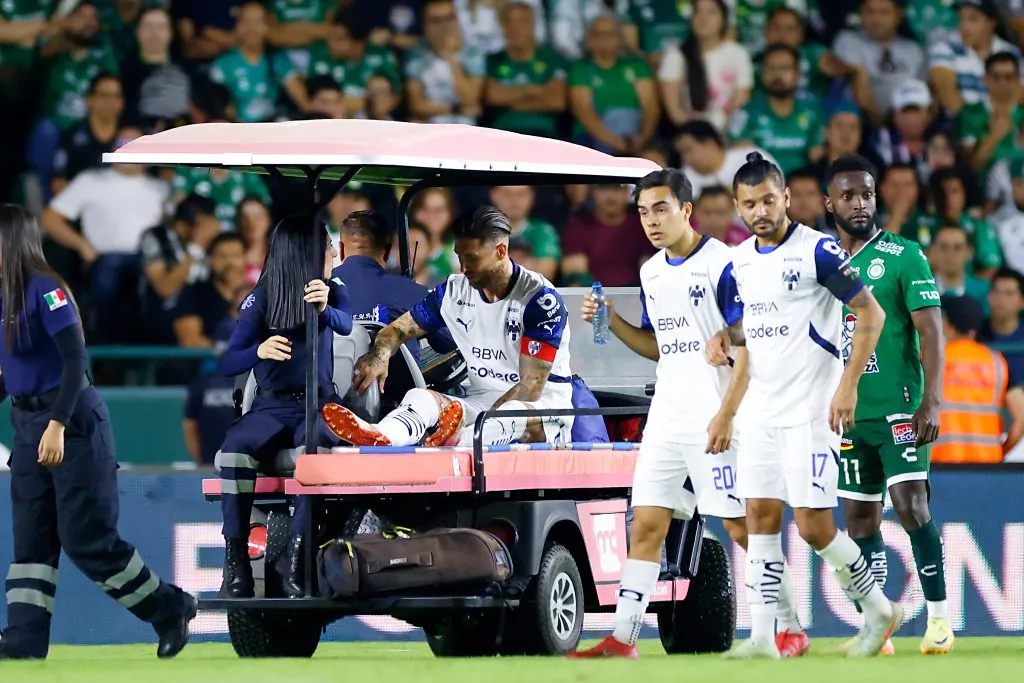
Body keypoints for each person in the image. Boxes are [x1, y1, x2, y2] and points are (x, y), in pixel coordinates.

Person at [567, 169, 809, 660]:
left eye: (661, 209)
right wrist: (610, 321)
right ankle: (624, 639)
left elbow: (750, 338)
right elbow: (658, 347)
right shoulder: (651, 271)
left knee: (740, 527)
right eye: (642, 212)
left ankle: (791, 626)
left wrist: (726, 410)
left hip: (718, 417)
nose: (651, 221)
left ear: (686, 210)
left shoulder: (723, 265)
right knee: (647, 524)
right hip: (667, 417)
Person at [706, 153, 901, 659]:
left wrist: (848, 386)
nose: (761, 211)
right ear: (737, 208)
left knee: (815, 526)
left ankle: (879, 609)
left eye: (769, 200)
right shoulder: (739, 263)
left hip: (812, 410)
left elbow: (871, 314)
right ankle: (762, 639)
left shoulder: (818, 252)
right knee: (759, 520)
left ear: (786, 197)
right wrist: (723, 342)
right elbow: (750, 335)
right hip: (761, 410)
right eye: (749, 204)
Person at [0, 205, 196, 660]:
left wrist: (57, 425)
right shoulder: (6, 296)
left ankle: (169, 607)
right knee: (30, 541)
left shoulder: (46, 290)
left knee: (86, 540)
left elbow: (74, 360)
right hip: (27, 424)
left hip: (72, 423)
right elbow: (14, 374)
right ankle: (25, 638)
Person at [824, 154, 953, 656]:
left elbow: (932, 333)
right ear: (830, 201)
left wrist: (931, 401)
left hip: (902, 407)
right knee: (858, 523)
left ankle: (940, 619)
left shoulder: (903, 256)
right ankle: (876, 625)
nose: (860, 204)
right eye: (849, 195)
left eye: (868, 194)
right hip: (850, 415)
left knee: (911, 507)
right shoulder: (821, 261)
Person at [321, 206, 574, 450]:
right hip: (480, 402)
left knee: (511, 413)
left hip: (541, 411)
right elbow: (396, 330)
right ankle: (380, 435)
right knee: (419, 397)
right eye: (459, 257)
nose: (463, 268)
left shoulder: (540, 301)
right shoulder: (453, 290)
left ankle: (458, 440)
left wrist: (472, 420)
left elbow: (530, 389)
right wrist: (380, 354)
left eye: (472, 259)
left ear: (500, 251)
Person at [216, 216, 353, 599]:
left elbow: (344, 324)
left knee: (311, 451)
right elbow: (227, 361)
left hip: (319, 404)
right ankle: (236, 560)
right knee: (235, 450)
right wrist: (257, 351)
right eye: (328, 246)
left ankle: (298, 557)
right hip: (271, 407)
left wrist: (325, 308)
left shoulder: (332, 288)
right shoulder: (261, 297)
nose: (332, 253)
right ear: (309, 252)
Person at [331, 210, 455, 359]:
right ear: (388, 251)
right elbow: (447, 342)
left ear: (341, 249)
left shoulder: (318, 290)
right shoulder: (412, 292)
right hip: (400, 383)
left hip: (331, 381)